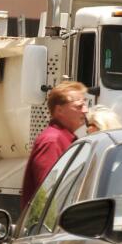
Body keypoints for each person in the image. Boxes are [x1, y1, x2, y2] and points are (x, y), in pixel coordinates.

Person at [19, 81, 88, 211]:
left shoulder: (66, 139)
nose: (85, 110)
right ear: (59, 110)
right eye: (79, 106)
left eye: (85, 104)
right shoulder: (52, 141)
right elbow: (48, 192)